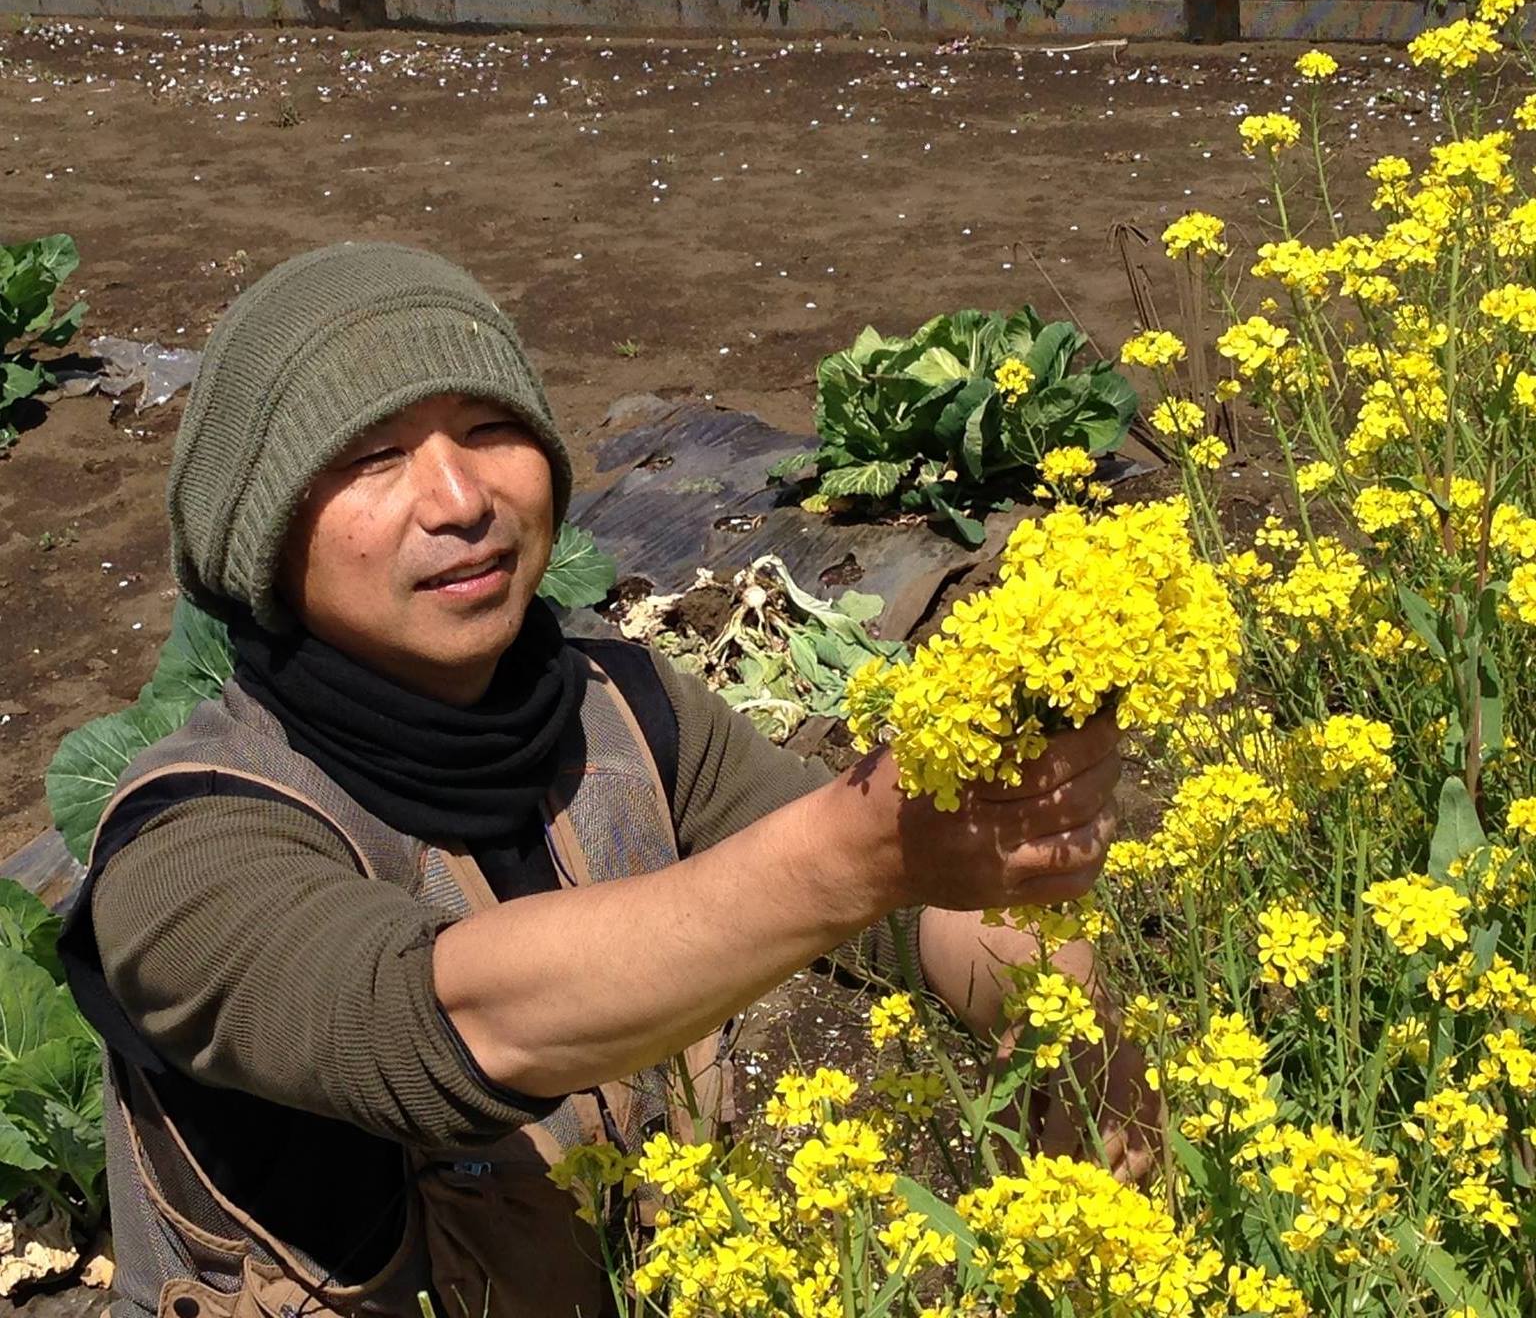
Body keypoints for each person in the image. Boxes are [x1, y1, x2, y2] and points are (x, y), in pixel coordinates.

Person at [61, 242, 1145, 1318]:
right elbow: (448, 1026)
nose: (457, 497)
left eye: (489, 430)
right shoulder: (183, 845)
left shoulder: (620, 706)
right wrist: (867, 846)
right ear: (264, 530)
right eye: (370, 457)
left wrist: (1060, 1005)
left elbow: (909, 919)